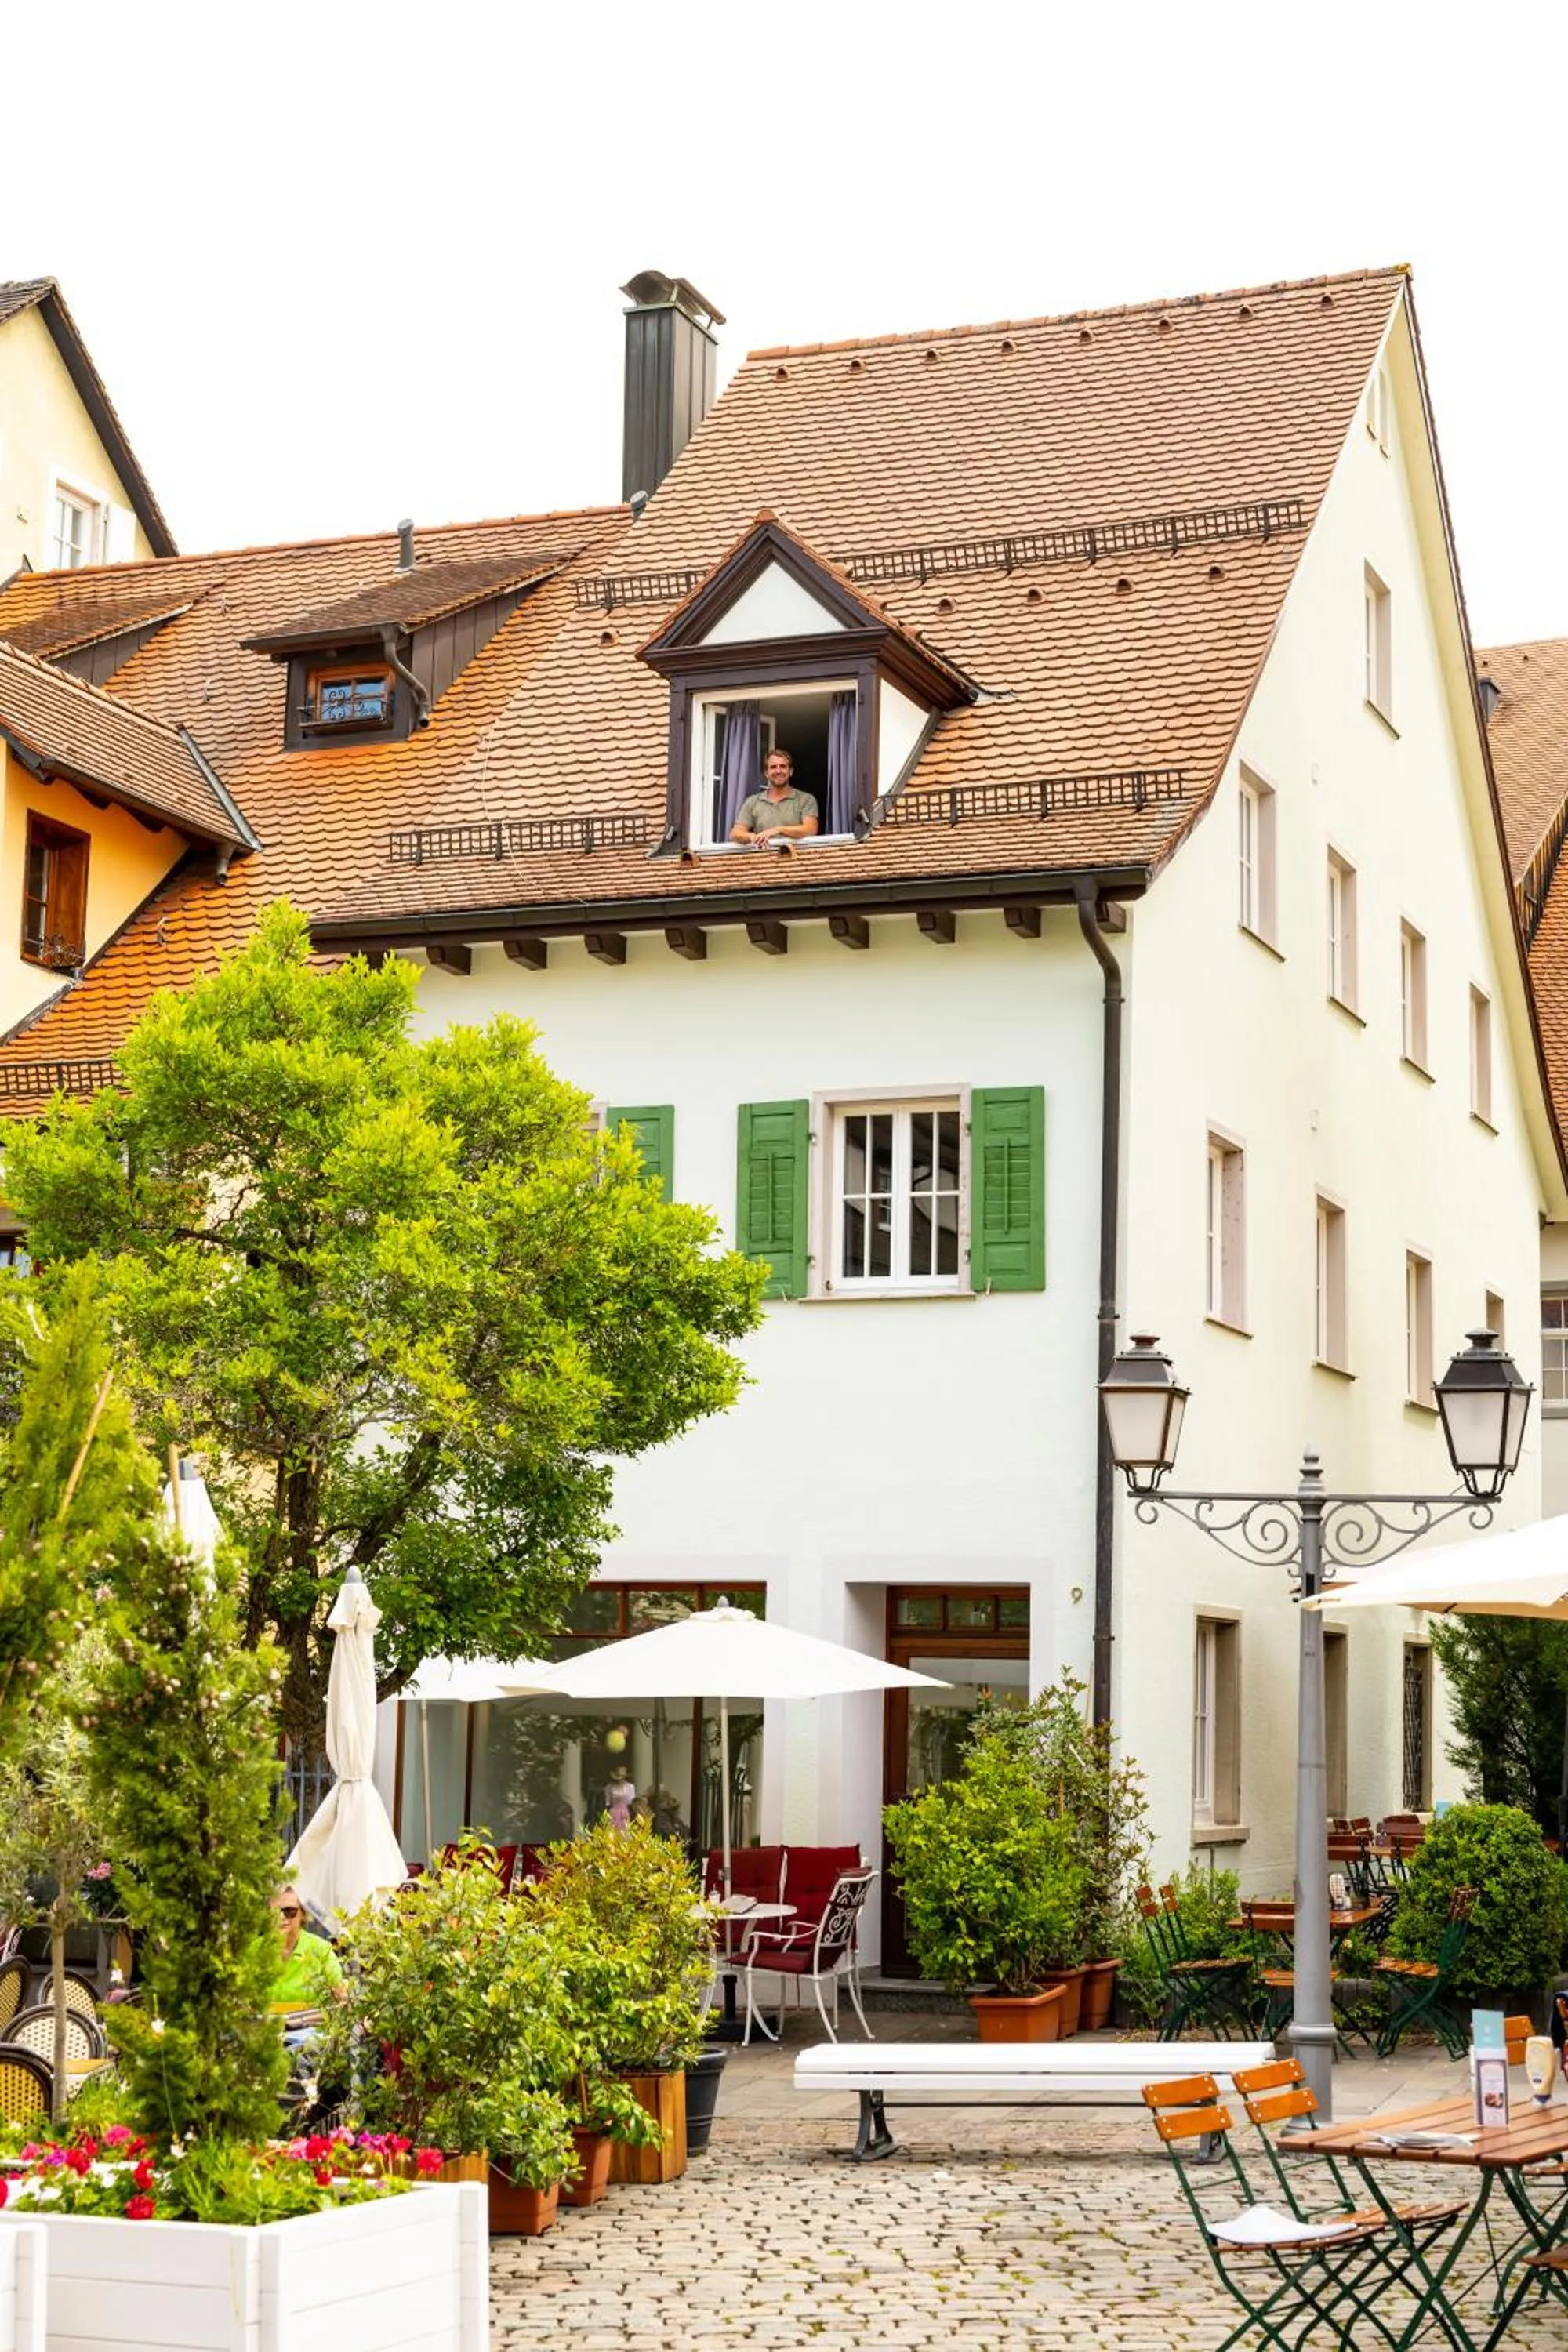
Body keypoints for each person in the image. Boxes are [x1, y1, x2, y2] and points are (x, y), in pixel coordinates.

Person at [269, 1884, 343, 2021]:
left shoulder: (321, 1949)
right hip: (264, 2032)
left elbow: (342, 1995)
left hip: (310, 2032)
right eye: (275, 1911)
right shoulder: (254, 1950)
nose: (281, 1917)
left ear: (303, 1914)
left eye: (289, 1911)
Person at [730, 748, 819, 847]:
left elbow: (811, 829)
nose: (778, 771)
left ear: (791, 772)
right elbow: (735, 833)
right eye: (773, 767)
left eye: (783, 766)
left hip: (795, 859)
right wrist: (752, 837)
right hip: (764, 859)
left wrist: (778, 830)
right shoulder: (753, 801)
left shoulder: (806, 799)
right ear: (767, 774)